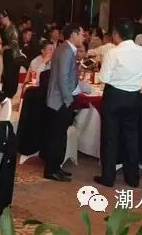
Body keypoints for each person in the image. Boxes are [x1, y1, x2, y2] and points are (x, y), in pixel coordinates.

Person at [94, 20, 142, 188]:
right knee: (131, 137)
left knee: (110, 137)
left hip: (115, 96)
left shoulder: (113, 52)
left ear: (116, 34)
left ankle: (108, 177)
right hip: (134, 96)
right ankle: (132, 178)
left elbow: (103, 77)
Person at [43, 23, 85, 182]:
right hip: (60, 100)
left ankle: (55, 167)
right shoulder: (67, 51)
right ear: (73, 34)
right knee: (57, 137)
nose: (83, 37)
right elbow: (63, 78)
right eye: (81, 34)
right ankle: (51, 170)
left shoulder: (64, 48)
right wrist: (68, 101)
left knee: (59, 136)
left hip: (58, 99)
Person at [0, 10, 22, 99]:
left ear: (7, 18)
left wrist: (4, 48)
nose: (1, 20)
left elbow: (14, 42)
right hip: (7, 54)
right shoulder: (6, 28)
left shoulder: (12, 28)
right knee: (6, 74)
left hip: (12, 55)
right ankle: (6, 93)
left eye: (2, 18)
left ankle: (9, 94)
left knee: (11, 75)